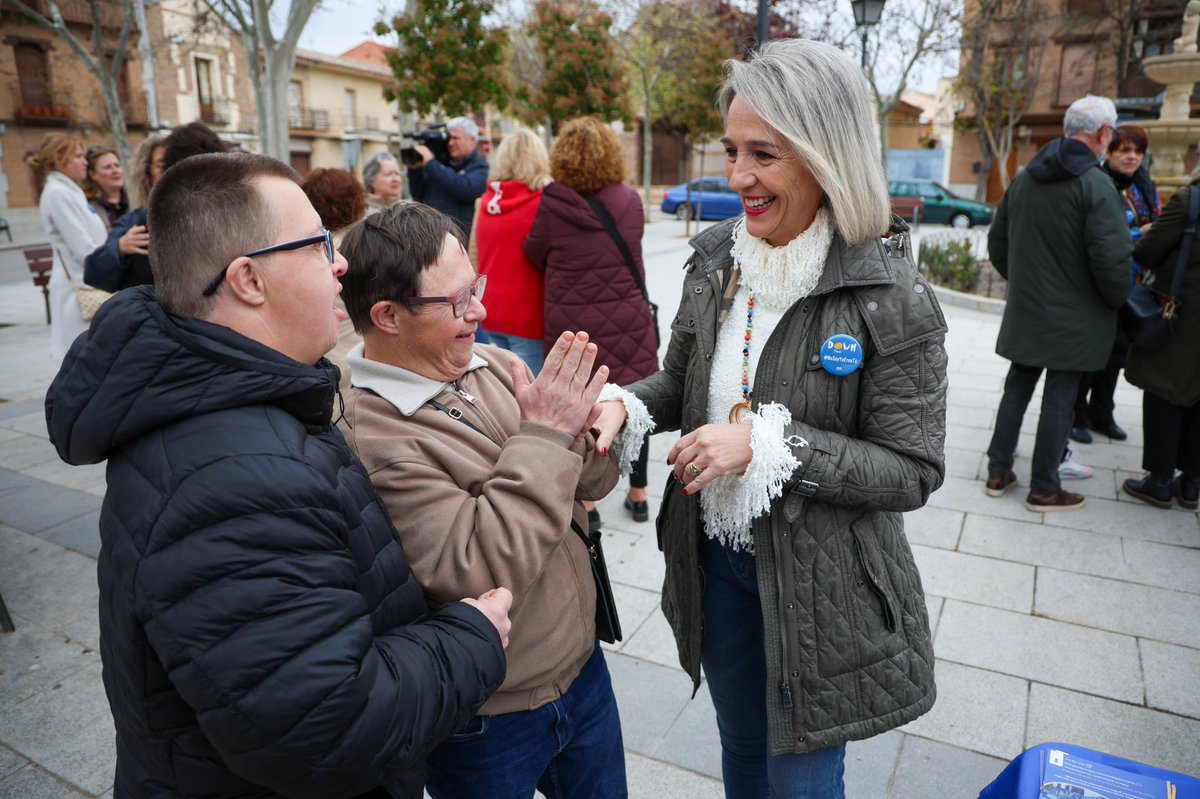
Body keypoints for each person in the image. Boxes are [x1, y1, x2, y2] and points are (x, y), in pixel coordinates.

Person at [44, 152, 511, 799]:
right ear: (248, 280)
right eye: (318, 245)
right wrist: (471, 638)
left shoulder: (239, 413)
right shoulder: (232, 477)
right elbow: (328, 728)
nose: (341, 264)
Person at [593, 39, 944, 798]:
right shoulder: (716, 260)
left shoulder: (891, 295)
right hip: (716, 563)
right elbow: (681, 381)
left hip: (824, 588)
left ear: (826, 158)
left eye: (764, 154)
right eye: (732, 151)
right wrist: (623, 405)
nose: (738, 177)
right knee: (743, 755)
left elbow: (912, 470)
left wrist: (769, 446)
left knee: (799, 781)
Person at [336, 202, 632, 798]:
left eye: (476, 287)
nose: (480, 310)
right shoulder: (371, 435)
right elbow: (478, 569)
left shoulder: (492, 363)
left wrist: (591, 431)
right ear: (387, 316)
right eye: (456, 301)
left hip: (583, 672)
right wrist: (547, 434)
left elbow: (593, 487)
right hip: (489, 719)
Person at [983, 95, 1132, 512]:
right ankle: (1045, 487)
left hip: (1029, 309)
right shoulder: (1095, 184)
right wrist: (1113, 300)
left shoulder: (1025, 177)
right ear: (1104, 133)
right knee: (1061, 397)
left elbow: (997, 243)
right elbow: (1112, 259)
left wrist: (1024, 282)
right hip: (1077, 317)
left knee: (1017, 388)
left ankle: (998, 471)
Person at [525, 116, 659, 525]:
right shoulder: (630, 199)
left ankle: (588, 504)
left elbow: (534, 253)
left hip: (575, 326)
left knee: (580, 407)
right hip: (630, 318)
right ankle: (639, 495)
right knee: (632, 403)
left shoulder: (553, 203)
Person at [1070, 124, 1163, 446]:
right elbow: (1097, 233)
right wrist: (1140, 233)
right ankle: (1076, 415)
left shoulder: (1144, 185)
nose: (1132, 157)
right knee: (1091, 353)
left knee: (1116, 353)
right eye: (1125, 150)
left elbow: (1158, 219)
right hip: (1099, 283)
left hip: (1133, 284)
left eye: (1138, 151)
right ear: (1109, 153)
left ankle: (1102, 413)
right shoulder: (1098, 183)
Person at [1121, 166, 1200, 509]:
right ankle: (1192, 483)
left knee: (1163, 392)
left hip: (1182, 317)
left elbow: (1147, 252)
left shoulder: (1190, 200)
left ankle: (1159, 481)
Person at [84, 122, 225, 292]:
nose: (168, 169)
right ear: (147, 174)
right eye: (161, 164)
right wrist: (119, 248)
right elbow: (92, 273)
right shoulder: (135, 222)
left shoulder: (216, 212)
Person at [475, 128, 551, 374]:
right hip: (528, 316)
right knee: (531, 389)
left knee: (510, 386)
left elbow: (475, 252)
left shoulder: (485, 201)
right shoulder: (543, 201)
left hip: (492, 310)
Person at [26, 133, 109, 361]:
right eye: (79, 156)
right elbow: (84, 250)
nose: (85, 162)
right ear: (58, 158)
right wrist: (117, 251)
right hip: (80, 292)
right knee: (85, 362)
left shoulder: (69, 191)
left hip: (85, 286)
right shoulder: (58, 194)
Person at [300, 167, 369, 393]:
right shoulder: (364, 244)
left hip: (326, 355)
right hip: (361, 351)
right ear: (355, 199)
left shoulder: (313, 250)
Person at [407, 116, 488, 238]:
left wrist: (431, 164)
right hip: (430, 238)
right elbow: (418, 196)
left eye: (456, 138)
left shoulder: (481, 168)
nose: (450, 143)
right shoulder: (439, 166)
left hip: (459, 241)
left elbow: (466, 189)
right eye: (449, 138)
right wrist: (415, 169)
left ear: (472, 140)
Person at [82, 145, 129, 229]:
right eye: (108, 167)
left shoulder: (136, 201)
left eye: (117, 165)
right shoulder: (87, 207)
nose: (115, 171)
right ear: (93, 175)